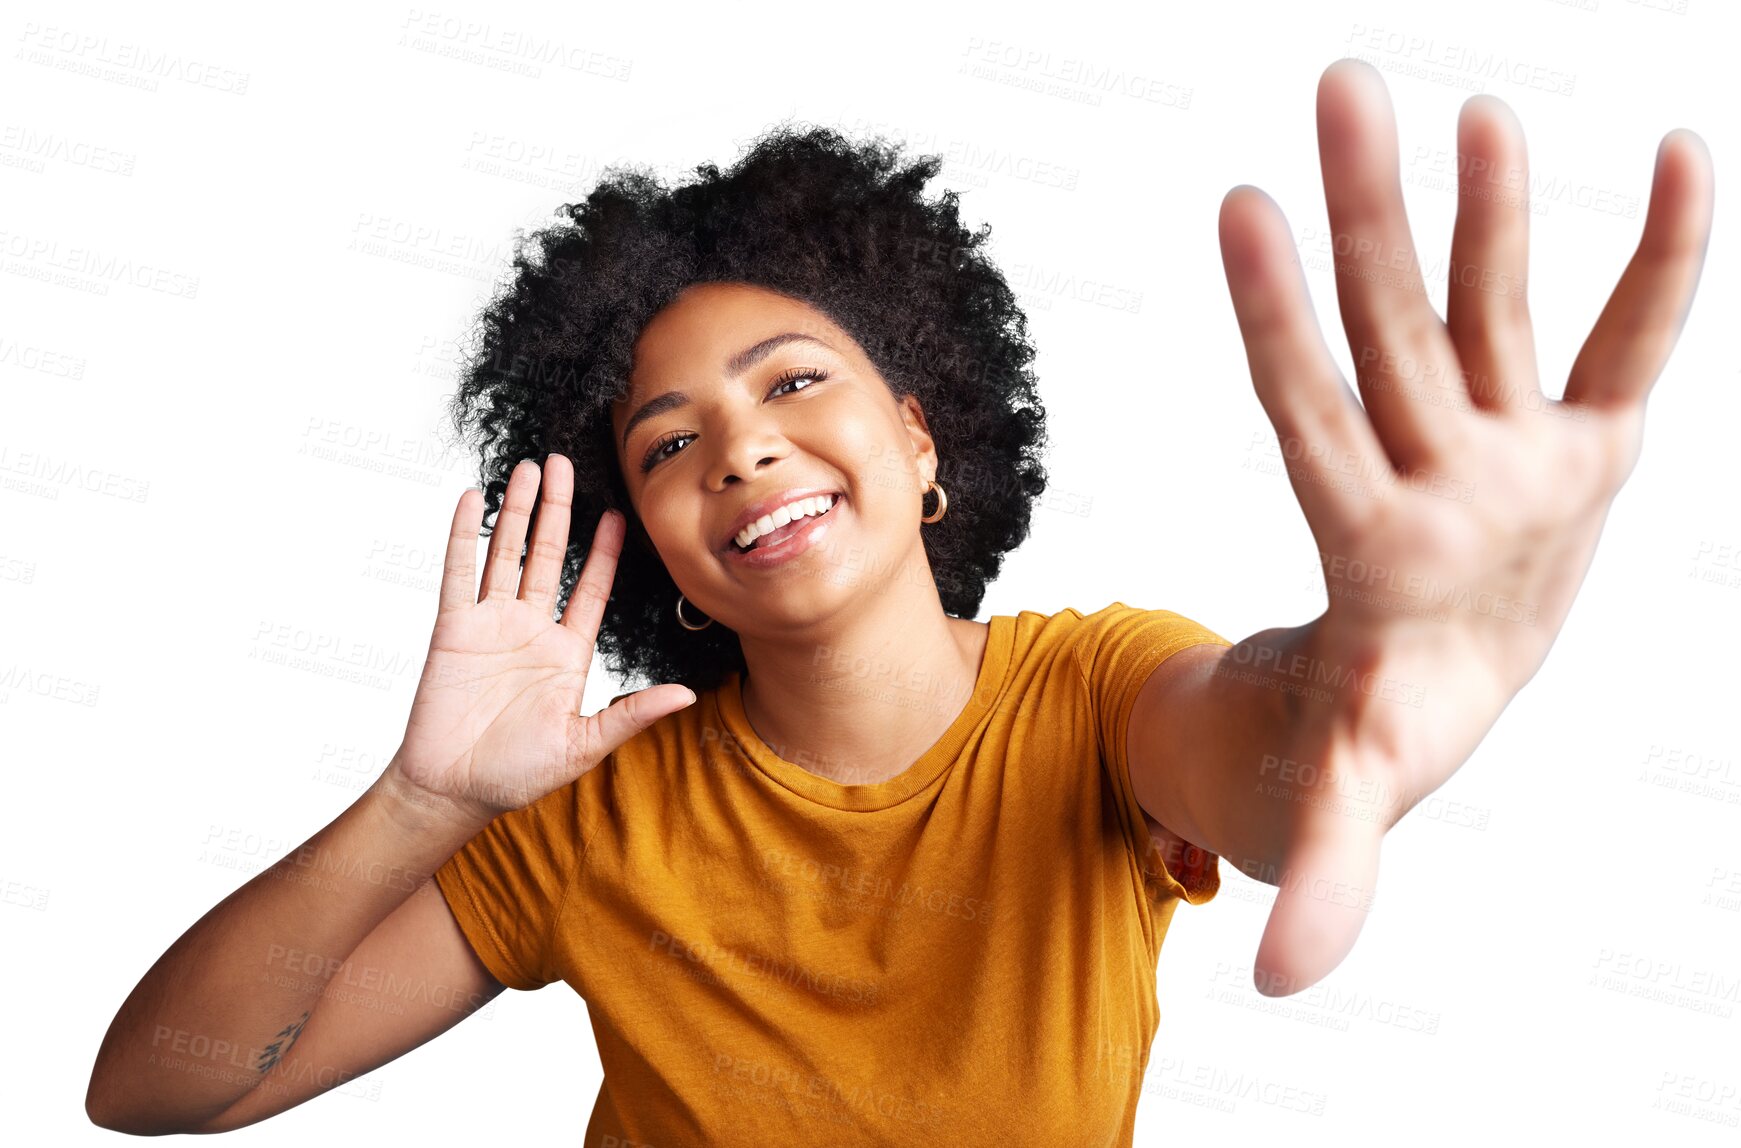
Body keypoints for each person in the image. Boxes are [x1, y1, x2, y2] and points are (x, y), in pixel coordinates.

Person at [86, 58, 1712, 1143]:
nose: (742, 449)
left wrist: (1370, 673)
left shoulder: (1090, 696)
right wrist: (424, 798)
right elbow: (160, 1091)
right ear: (652, 538)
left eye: (794, 379)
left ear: (920, 430)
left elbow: (1262, 759)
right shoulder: (590, 806)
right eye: (669, 443)